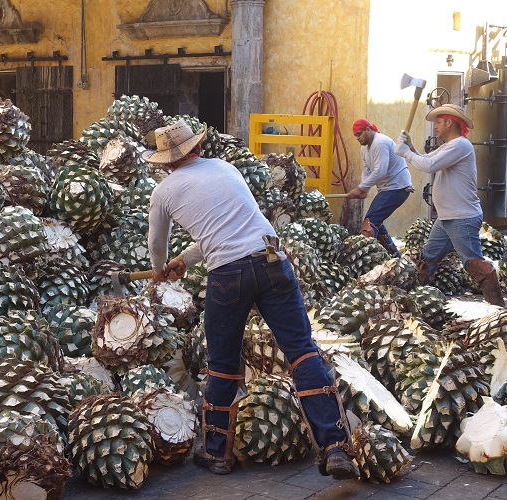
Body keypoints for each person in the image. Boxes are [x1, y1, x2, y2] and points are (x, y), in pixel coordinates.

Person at [143, 121, 357, 478]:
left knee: (224, 363)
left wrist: (159, 267)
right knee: (302, 352)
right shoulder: (224, 168)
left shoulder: (164, 191)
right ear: (196, 148)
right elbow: (234, 224)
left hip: (229, 273)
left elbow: (156, 244)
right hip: (273, 258)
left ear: (166, 162)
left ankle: (216, 454)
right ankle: (335, 446)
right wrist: (185, 260)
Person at [394, 104, 505, 306]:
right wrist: (411, 149)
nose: (435, 126)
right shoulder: (448, 146)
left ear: (449, 122)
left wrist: (405, 153)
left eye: (438, 122)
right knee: (428, 258)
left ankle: (499, 311)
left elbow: (429, 166)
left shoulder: (461, 145)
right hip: (447, 218)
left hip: (462, 217)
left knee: (474, 264)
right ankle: (423, 304)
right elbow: (427, 159)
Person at [347, 119, 413, 256]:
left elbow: (380, 171)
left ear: (367, 130)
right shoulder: (363, 148)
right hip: (389, 188)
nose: (357, 138)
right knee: (375, 220)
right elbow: (367, 170)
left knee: (369, 225)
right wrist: (363, 188)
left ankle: (361, 259)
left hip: (397, 187)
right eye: (355, 136)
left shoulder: (380, 143)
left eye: (359, 134)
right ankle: (395, 257)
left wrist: (361, 188)